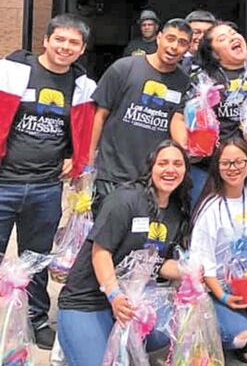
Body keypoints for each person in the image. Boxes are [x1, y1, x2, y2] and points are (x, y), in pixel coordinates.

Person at [0, 14, 96, 350]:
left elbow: (83, 129)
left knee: (37, 258)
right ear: (46, 40)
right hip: (4, 181)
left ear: (82, 49)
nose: (65, 47)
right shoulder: (10, 72)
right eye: (60, 40)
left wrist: (76, 156)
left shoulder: (84, 87)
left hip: (46, 186)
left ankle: (36, 318)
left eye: (73, 43)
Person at [57, 140, 192, 366]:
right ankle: (77, 343)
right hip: (88, 301)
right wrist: (114, 295)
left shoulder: (176, 212)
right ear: (151, 168)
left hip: (131, 304)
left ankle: (109, 344)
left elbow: (158, 262)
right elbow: (100, 252)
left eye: (178, 164)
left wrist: (189, 274)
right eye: (163, 163)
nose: (170, 169)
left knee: (174, 325)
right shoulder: (125, 199)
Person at [171, 22, 247, 202]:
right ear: (214, 53)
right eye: (223, 38)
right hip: (209, 169)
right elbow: (179, 118)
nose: (233, 37)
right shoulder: (204, 79)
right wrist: (186, 148)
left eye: (233, 32)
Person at [190, 138, 247, 363]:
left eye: (239, 162)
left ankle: (246, 319)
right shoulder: (210, 208)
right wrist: (224, 296)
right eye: (226, 163)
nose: (233, 168)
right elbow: (203, 263)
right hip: (218, 286)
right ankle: (230, 324)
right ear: (217, 167)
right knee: (238, 336)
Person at [90, 18, 192, 215]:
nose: (174, 46)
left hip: (152, 178)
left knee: (140, 240)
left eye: (182, 42)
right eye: (170, 38)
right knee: (105, 237)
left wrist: (187, 148)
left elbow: (177, 120)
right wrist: (88, 163)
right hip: (112, 173)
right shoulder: (124, 68)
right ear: (159, 38)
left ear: (187, 48)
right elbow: (99, 115)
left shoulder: (183, 82)